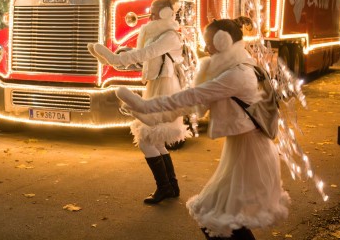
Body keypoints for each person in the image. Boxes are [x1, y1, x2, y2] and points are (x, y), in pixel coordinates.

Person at [115, 18, 289, 240]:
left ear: (224, 41)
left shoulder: (237, 74)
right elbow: (194, 105)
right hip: (244, 152)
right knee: (222, 221)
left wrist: (146, 106)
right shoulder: (238, 66)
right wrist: (150, 116)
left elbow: (192, 96)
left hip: (251, 157)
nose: (205, 47)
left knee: (220, 221)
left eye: (209, 42)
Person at [87, 0, 190, 204]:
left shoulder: (169, 36)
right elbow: (143, 55)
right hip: (158, 87)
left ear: (165, 15)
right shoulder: (160, 35)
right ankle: (171, 186)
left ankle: (164, 187)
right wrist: (116, 57)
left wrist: (114, 59)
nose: (149, 15)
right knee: (156, 140)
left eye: (154, 12)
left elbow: (146, 54)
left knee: (146, 140)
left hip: (165, 90)